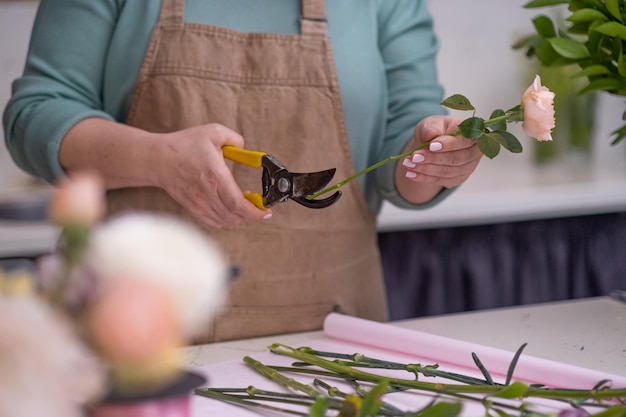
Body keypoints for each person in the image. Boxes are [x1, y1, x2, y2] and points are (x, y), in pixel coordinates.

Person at [3, 0, 483, 342]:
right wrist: (157, 159)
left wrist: (435, 157)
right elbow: (37, 115)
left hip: (329, 348)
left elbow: (400, 155)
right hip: (126, 341)